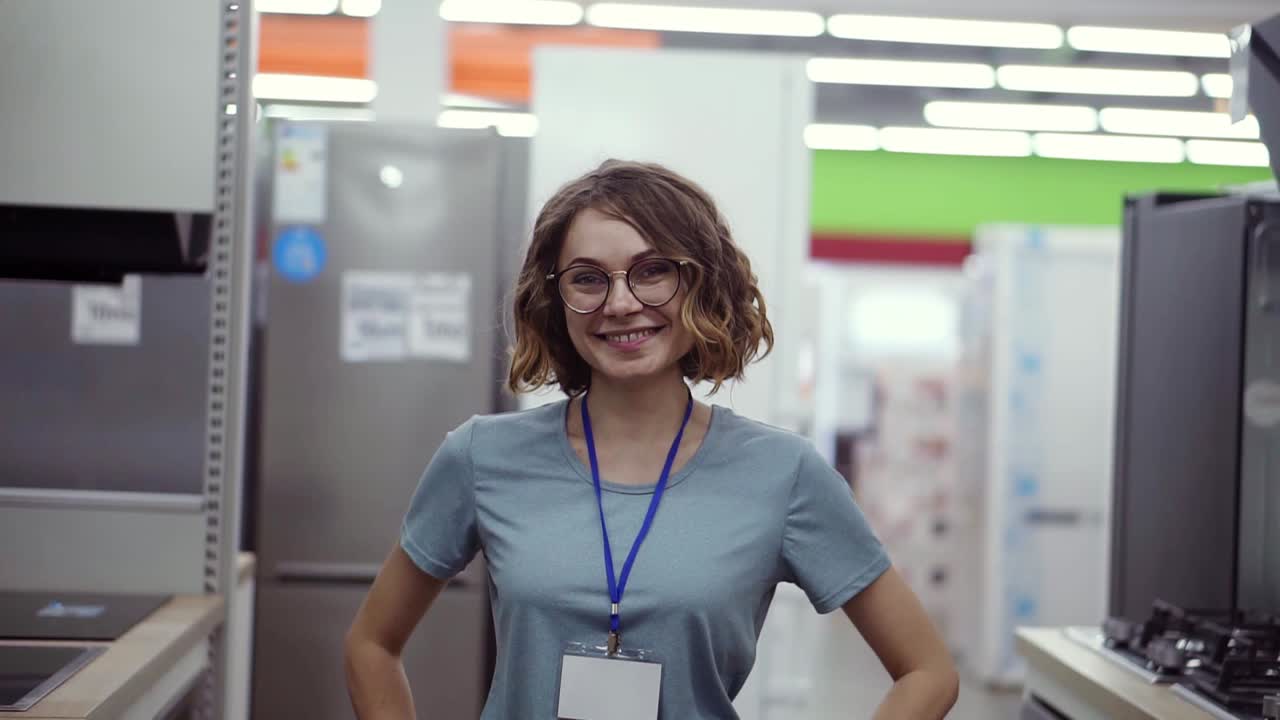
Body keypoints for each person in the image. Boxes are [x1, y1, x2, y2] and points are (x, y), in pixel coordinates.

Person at [344, 160, 959, 719]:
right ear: (555, 300)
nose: (620, 303)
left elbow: (927, 672)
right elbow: (371, 643)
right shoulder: (481, 457)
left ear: (702, 284)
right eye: (588, 279)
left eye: (653, 271)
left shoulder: (784, 473)